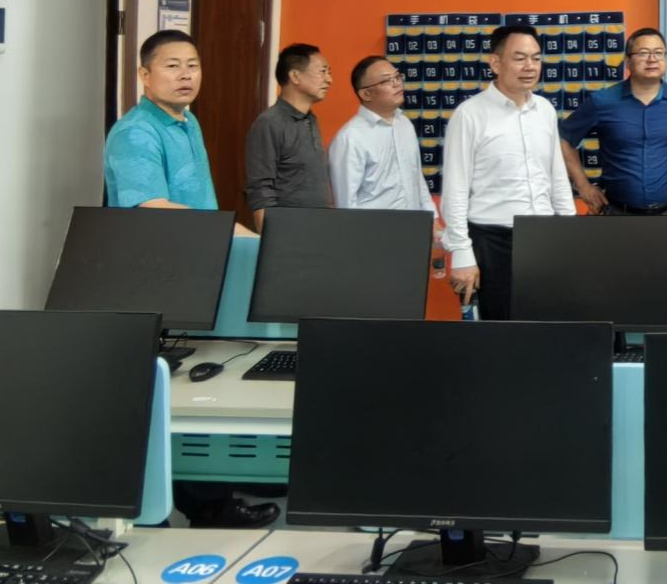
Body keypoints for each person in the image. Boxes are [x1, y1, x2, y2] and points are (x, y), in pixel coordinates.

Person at [103, 29, 277, 529]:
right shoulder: (136, 133)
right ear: (144, 74)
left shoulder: (187, 120)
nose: (185, 75)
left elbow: (196, 199)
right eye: (172, 65)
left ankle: (209, 503)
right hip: (155, 279)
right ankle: (158, 513)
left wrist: (237, 236)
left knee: (207, 380)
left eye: (193, 65)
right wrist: (232, 231)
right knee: (162, 398)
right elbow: (150, 206)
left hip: (197, 268)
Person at [442, 25, 575, 319]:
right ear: (495, 62)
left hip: (544, 237)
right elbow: (455, 188)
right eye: (519, 58)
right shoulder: (470, 114)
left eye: (536, 58)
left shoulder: (545, 110)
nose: (530, 66)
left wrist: (569, 234)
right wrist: (461, 253)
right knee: (501, 330)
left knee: (549, 324)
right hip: (492, 241)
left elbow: (557, 177)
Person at [558, 27, 667, 215]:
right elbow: (565, 139)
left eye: (658, 53)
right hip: (616, 212)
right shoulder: (602, 102)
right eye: (643, 53)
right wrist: (583, 186)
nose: (652, 59)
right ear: (628, 61)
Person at [328, 56, 438, 221]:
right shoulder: (350, 138)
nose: (397, 83)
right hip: (374, 232)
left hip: (413, 227)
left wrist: (432, 217)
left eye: (397, 76)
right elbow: (346, 204)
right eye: (387, 80)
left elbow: (417, 178)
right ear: (366, 93)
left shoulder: (404, 123)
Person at [244, 43, 333, 232]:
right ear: (295, 76)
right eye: (323, 71)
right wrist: (270, 238)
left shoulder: (310, 119)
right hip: (289, 231)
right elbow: (261, 189)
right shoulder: (269, 123)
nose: (329, 79)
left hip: (319, 227)